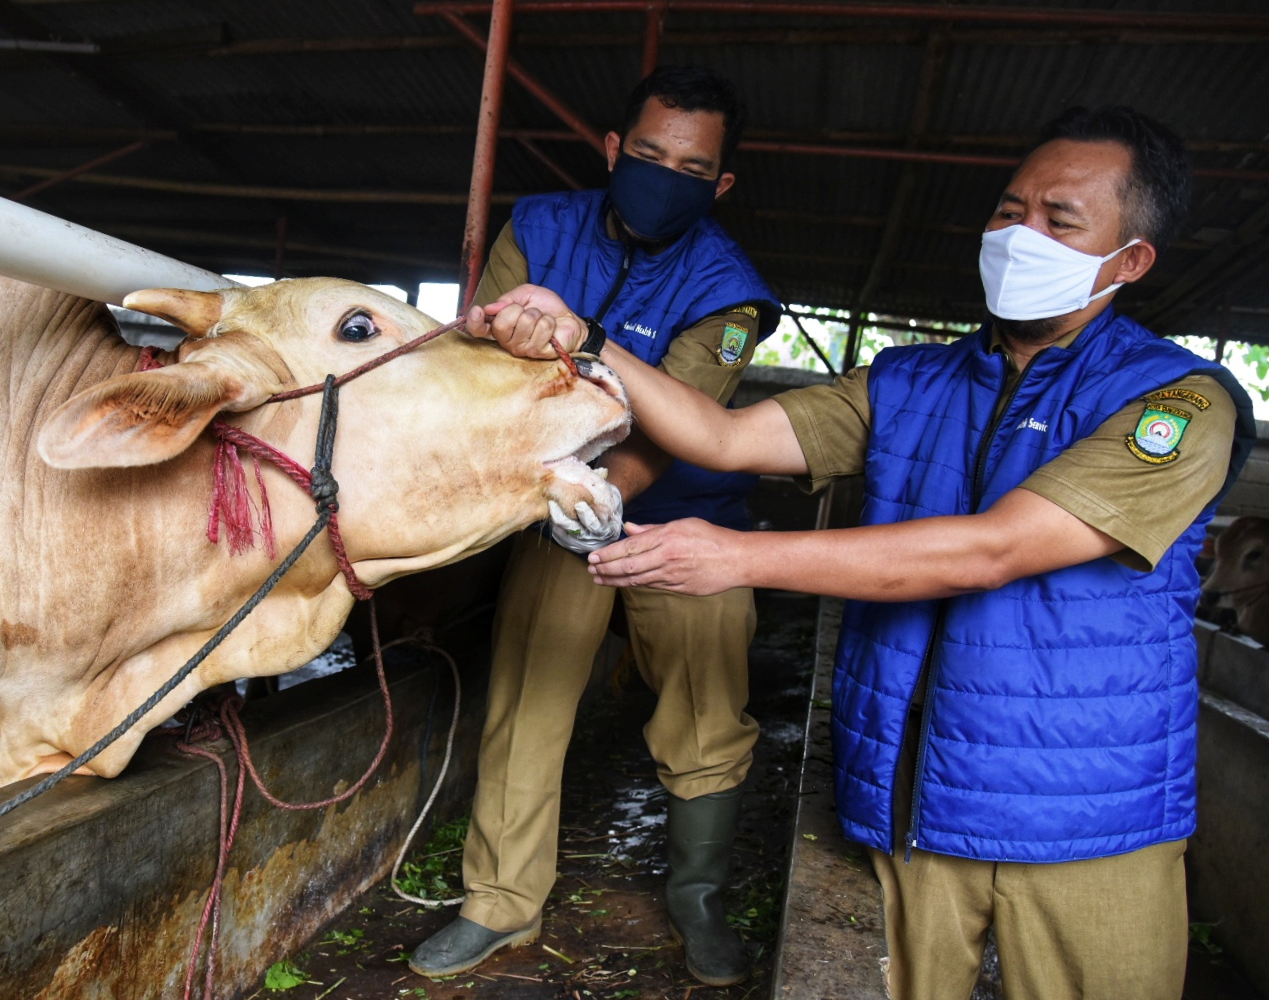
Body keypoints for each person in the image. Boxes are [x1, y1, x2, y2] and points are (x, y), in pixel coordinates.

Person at [467, 105, 1256, 1000]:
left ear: (1132, 258)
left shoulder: (1176, 404)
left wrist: (737, 558)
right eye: (1008, 210)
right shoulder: (907, 381)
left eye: (1058, 220)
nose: (1017, 234)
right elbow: (722, 438)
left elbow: (994, 551)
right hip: (918, 791)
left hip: (1078, 811)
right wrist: (591, 337)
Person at [409, 66, 781, 986]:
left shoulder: (731, 290)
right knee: (528, 697)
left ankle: (697, 899)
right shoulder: (537, 228)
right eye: (649, 153)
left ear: (721, 184)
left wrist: (601, 490)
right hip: (551, 504)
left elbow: (682, 423)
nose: (665, 174)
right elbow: (477, 364)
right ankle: (499, 905)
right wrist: (541, 482)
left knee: (705, 706)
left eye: (691, 166)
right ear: (614, 150)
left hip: (682, 518)